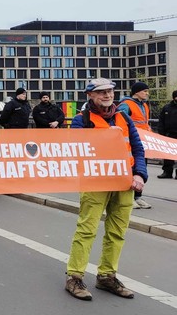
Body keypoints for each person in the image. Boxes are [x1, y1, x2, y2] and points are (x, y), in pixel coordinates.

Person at [65, 78, 147, 301]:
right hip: (96, 183)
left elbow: (138, 149)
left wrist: (139, 174)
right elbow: (75, 150)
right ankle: (74, 276)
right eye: (101, 92)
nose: (107, 95)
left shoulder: (124, 117)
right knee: (87, 229)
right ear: (90, 96)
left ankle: (107, 276)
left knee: (117, 232)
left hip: (124, 183)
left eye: (110, 91)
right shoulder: (82, 120)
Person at [118, 82, 153, 209]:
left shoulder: (144, 105)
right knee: (131, 169)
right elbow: (121, 122)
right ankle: (129, 197)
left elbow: (144, 123)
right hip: (130, 142)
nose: (147, 93)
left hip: (142, 142)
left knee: (141, 169)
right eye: (144, 91)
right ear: (136, 92)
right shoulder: (126, 105)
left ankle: (138, 196)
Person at [157, 90, 177, 179]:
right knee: (168, 155)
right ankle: (167, 172)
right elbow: (161, 121)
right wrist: (161, 133)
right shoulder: (167, 108)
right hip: (169, 135)